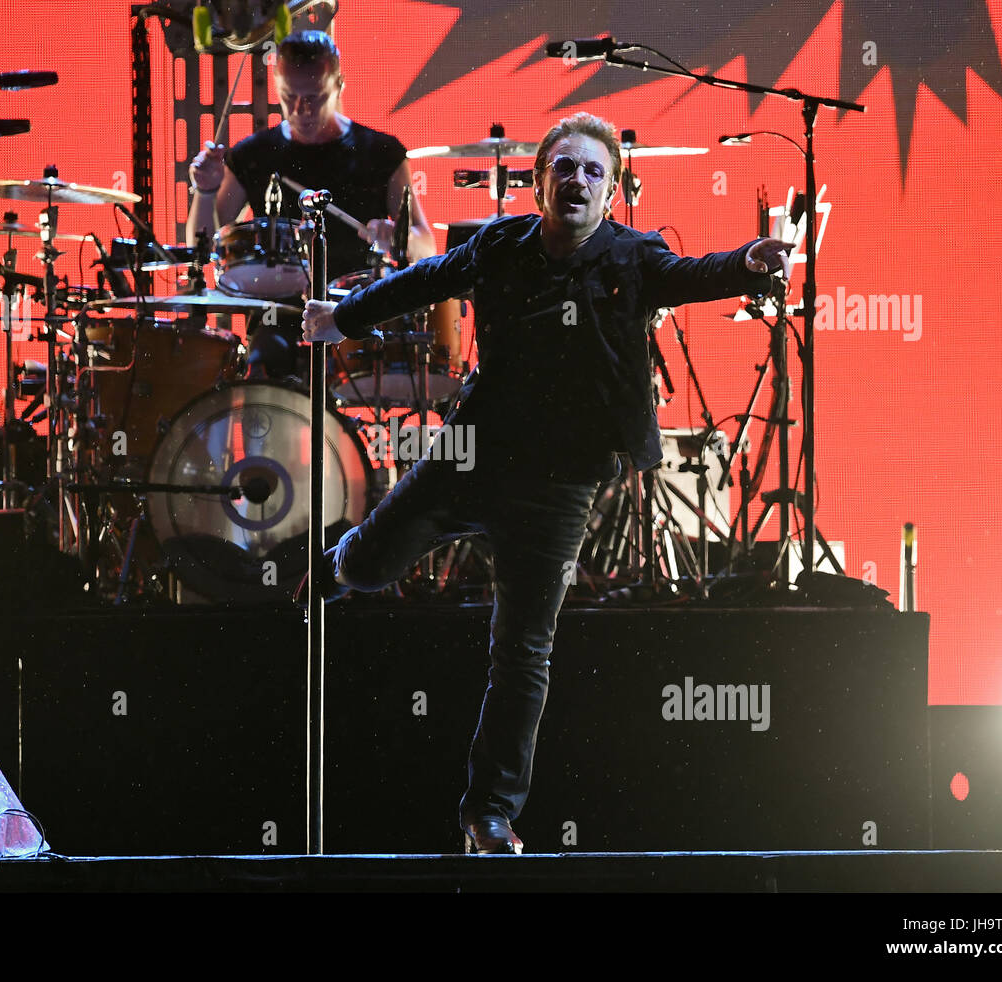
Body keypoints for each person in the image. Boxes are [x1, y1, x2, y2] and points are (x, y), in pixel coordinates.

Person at [298, 111, 795, 854]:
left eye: (594, 172)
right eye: (565, 167)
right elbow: (420, 280)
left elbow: (697, 274)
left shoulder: (635, 258)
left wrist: (750, 260)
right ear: (539, 182)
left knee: (524, 648)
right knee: (370, 566)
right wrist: (344, 318)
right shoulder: (499, 246)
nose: (578, 181)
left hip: (561, 485)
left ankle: (488, 812)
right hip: (472, 456)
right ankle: (339, 563)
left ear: (612, 190)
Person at [186, 30, 436, 378]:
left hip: (357, 315)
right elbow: (203, 248)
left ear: (339, 85)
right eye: (289, 97)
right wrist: (205, 191)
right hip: (278, 317)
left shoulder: (381, 153)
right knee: (261, 379)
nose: (301, 110)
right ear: (276, 86)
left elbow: (427, 247)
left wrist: (396, 237)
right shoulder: (253, 155)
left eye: (315, 97)